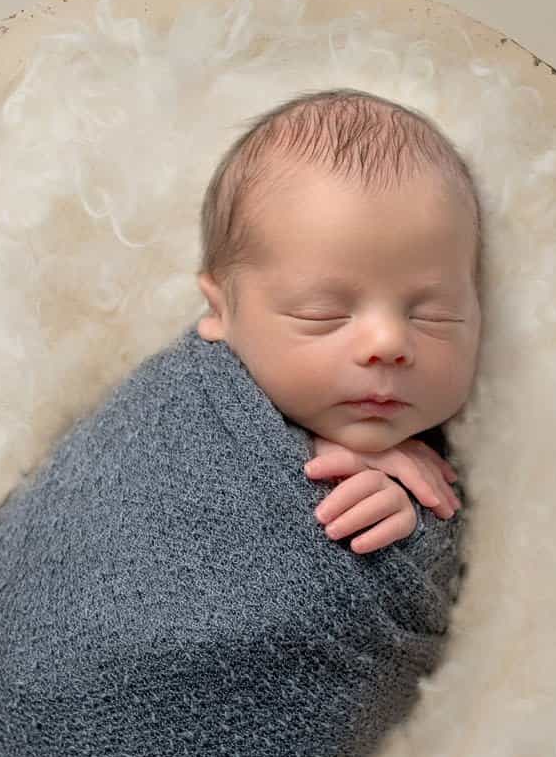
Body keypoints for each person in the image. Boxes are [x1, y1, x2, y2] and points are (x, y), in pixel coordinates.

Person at [193, 87, 482, 556]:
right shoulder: (189, 416)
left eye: (434, 315)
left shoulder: (451, 470)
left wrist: (409, 529)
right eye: (322, 313)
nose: (388, 343)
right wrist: (294, 461)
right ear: (220, 310)